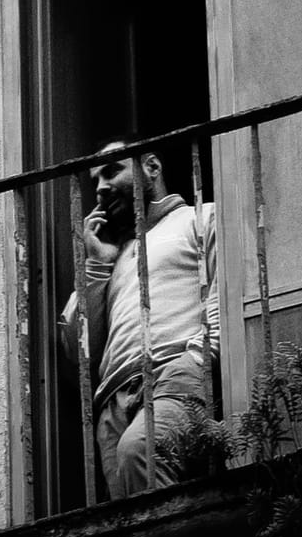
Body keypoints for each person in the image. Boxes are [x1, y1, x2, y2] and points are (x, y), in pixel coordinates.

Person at [60, 141, 218, 499]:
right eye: (95, 181)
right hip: (113, 400)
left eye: (112, 171)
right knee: (129, 514)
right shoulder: (111, 255)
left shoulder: (201, 217)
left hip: (174, 372)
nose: (100, 188)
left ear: (151, 167)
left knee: (138, 451)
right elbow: (77, 350)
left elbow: (228, 290)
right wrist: (97, 264)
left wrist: (198, 358)